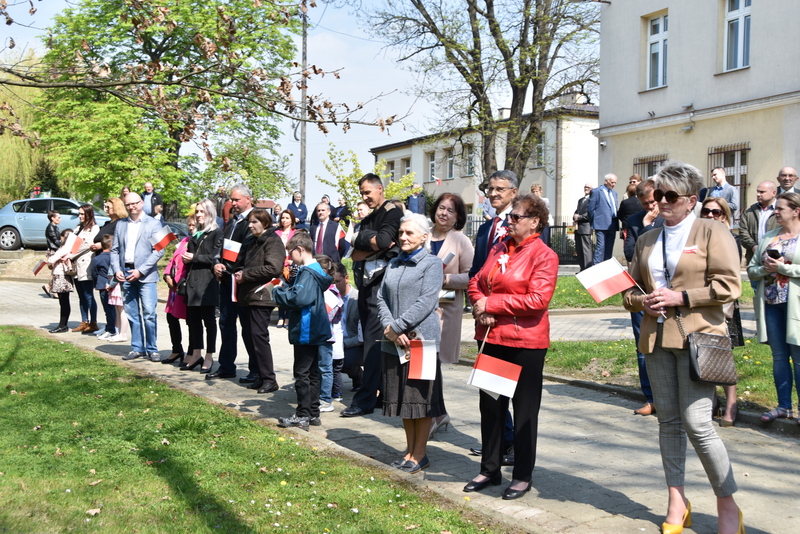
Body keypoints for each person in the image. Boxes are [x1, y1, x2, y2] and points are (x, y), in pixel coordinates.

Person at [623, 161, 743, 534]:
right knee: (669, 422)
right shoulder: (646, 239)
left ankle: (728, 504)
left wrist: (682, 296)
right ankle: (677, 499)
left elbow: (729, 286)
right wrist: (642, 302)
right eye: (658, 195)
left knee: (697, 424)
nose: (662, 202)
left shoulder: (711, 231)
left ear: (691, 200)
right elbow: (629, 292)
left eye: (671, 196)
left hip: (698, 339)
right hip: (656, 340)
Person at [465, 193, 558, 500]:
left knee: (524, 411)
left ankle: (522, 475)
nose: (510, 221)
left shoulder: (544, 255)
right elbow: (477, 279)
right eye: (510, 217)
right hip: (492, 339)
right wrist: (479, 301)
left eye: (516, 217)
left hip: (524, 343)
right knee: (491, 407)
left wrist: (493, 302)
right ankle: (489, 469)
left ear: (536, 222)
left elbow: (537, 300)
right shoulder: (499, 246)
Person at [378, 213, 444, 473]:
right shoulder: (393, 263)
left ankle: (420, 454)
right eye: (401, 232)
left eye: (409, 233)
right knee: (403, 398)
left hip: (421, 343)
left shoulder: (432, 264)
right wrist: (391, 329)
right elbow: (381, 298)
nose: (403, 237)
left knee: (420, 399)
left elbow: (427, 301)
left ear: (424, 237)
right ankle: (408, 450)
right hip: (393, 343)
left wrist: (397, 326)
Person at [341, 173, 403, 418]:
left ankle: (365, 400)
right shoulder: (369, 215)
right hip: (366, 285)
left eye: (368, 192)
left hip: (380, 287)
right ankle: (382, 394)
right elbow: (353, 252)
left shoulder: (392, 213)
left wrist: (360, 238)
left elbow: (386, 240)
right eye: (362, 194)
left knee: (374, 346)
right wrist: (368, 240)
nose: (364, 197)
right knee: (372, 343)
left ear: (380, 188)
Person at [467, 170, 519, 460]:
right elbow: (476, 272)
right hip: (483, 317)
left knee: (507, 384)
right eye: (490, 189)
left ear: (514, 191)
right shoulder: (487, 228)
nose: (494, 194)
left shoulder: (520, 223)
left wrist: (495, 305)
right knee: (489, 386)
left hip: (509, 316)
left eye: (500, 189)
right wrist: (478, 304)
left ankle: (512, 443)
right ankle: (498, 442)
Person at [747, 191, 800, 427]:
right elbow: (751, 269)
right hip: (771, 304)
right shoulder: (769, 237)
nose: (775, 212)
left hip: (796, 307)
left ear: (796, 211)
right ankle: (784, 407)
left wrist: (784, 268)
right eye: (776, 208)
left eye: (780, 208)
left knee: (799, 359)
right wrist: (766, 270)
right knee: (779, 357)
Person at [273, 232, 334, 430]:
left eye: (291, 253)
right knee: (313, 373)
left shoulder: (308, 272)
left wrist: (276, 292)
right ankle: (313, 413)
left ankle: (303, 415)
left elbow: (300, 299)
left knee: (302, 373)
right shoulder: (314, 270)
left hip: (307, 329)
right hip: (314, 327)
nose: (289, 257)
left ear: (300, 249)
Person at [428, 193, 474, 436]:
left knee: (434, 362)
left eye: (450, 210)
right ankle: (438, 413)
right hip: (421, 310)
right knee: (425, 362)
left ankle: (437, 414)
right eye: (441, 208)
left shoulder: (460, 241)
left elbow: (470, 276)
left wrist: (444, 279)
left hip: (445, 310)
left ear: (458, 217)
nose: (444, 213)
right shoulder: (422, 235)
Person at [207, 184, 259, 383]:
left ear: (248, 199)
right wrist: (217, 263)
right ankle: (227, 365)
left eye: (236, 200)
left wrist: (231, 268)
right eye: (231, 200)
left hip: (243, 281)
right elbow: (220, 245)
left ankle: (256, 370)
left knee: (248, 326)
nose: (233, 204)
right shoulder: (232, 221)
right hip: (227, 280)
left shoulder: (254, 220)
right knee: (226, 322)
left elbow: (247, 250)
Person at [701, 197, 743, 427]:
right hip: (699, 302)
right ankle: (712, 401)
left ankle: (731, 405)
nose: (709, 216)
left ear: (724, 216)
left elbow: (730, 276)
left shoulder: (731, 239)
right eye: (705, 211)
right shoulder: (695, 238)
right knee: (703, 353)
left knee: (722, 355)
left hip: (723, 304)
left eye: (715, 212)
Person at [233, 208, 285, 393]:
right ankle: (260, 375)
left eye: (254, 221)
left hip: (263, 296)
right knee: (249, 336)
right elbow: (240, 263)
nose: (250, 225)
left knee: (259, 337)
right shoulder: (250, 241)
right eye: (249, 221)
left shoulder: (273, 241)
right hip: (247, 296)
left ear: (264, 222)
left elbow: (273, 268)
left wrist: (245, 275)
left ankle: (270, 379)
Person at [110, 192, 165, 362]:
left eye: (134, 203)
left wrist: (140, 271)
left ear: (141, 203)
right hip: (125, 274)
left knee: (149, 313)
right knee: (132, 313)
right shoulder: (120, 224)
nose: (131, 207)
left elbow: (159, 251)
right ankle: (137, 347)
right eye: (128, 204)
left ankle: (152, 349)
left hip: (145, 276)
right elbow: (114, 250)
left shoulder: (155, 223)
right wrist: (116, 269)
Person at [623, 179, 662, 416]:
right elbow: (630, 253)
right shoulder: (635, 221)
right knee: (643, 346)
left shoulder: (670, 218)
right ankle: (651, 398)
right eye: (645, 203)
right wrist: (646, 226)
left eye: (653, 202)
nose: (651, 207)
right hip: (642, 291)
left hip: (667, 292)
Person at [180, 199, 223, 373]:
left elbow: (215, 257)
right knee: (193, 321)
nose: (198, 215)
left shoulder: (216, 233)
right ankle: (196, 353)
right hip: (192, 283)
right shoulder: (196, 234)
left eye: (201, 211)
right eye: (197, 211)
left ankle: (209, 355)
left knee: (209, 322)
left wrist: (194, 258)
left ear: (210, 213)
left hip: (207, 283)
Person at [162, 215, 195, 365]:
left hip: (186, 287)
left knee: (191, 321)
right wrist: (167, 274)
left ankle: (192, 352)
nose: (190, 227)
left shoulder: (197, 242)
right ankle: (176, 350)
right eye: (189, 224)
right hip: (174, 289)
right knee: (171, 318)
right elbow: (172, 260)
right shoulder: (184, 241)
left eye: (193, 225)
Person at [333, 263, 363, 392]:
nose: (334, 286)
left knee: (344, 362)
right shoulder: (330, 296)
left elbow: (363, 334)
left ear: (346, 278)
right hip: (334, 340)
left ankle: (358, 375)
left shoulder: (358, 298)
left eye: (337, 282)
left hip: (353, 343)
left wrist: (344, 343)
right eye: (331, 282)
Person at [71, 204, 100, 334]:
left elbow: (87, 245)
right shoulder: (78, 228)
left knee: (88, 295)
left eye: (82, 214)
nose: (80, 216)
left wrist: (70, 255)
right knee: (81, 296)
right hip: (76, 266)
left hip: (86, 264)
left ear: (89, 214)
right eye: (79, 214)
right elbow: (71, 243)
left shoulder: (94, 228)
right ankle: (84, 321)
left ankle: (93, 322)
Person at [739, 181, 779, 267]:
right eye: (757, 191)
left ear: (774, 193)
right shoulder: (749, 212)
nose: (758, 194)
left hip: (776, 259)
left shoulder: (781, 211)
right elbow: (743, 233)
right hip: (754, 258)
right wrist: (753, 247)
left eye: (762, 192)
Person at [46, 228, 75, 333]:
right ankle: (62, 324)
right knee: (63, 301)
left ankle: (63, 325)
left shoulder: (65, 247)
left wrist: (51, 259)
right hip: (59, 275)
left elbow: (51, 259)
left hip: (61, 276)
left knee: (64, 301)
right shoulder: (64, 247)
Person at [587, 173, 619, 266]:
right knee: (600, 247)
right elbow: (590, 209)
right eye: (612, 182)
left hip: (612, 223)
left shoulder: (614, 193)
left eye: (615, 183)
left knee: (609, 247)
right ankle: (597, 267)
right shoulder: (597, 191)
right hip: (600, 224)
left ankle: (607, 267)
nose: (613, 185)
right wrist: (594, 221)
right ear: (606, 181)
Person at [89, 234, 116, 340]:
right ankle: (111, 327)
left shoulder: (97, 259)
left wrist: (96, 283)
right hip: (114, 284)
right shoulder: (114, 257)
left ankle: (111, 329)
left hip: (102, 284)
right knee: (113, 309)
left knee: (107, 309)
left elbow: (94, 273)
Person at [275, 209, 297, 329]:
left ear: (292, 220)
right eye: (283, 218)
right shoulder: (276, 233)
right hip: (278, 266)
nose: (284, 220)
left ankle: (288, 318)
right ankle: (280, 317)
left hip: (290, 266)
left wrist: (293, 260)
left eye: (287, 218)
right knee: (280, 290)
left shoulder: (295, 233)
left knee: (289, 291)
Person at [573, 184, 593, 271]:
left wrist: (579, 217)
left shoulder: (592, 200)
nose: (586, 188)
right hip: (578, 228)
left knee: (586, 250)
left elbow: (590, 213)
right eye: (585, 187)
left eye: (588, 187)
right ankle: (582, 268)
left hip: (586, 228)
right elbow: (577, 211)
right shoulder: (580, 200)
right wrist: (574, 216)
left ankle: (587, 269)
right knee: (579, 249)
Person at [43, 210, 62, 297]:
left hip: (56, 250)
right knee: (55, 270)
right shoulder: (51, 228)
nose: (60, 219)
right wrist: (62, 247)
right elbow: (55, 240)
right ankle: (51, 288)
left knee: (56, 270)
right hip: (53, 251)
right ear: (52, 218)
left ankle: (52, 289)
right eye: (58, 217)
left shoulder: (55, 227)